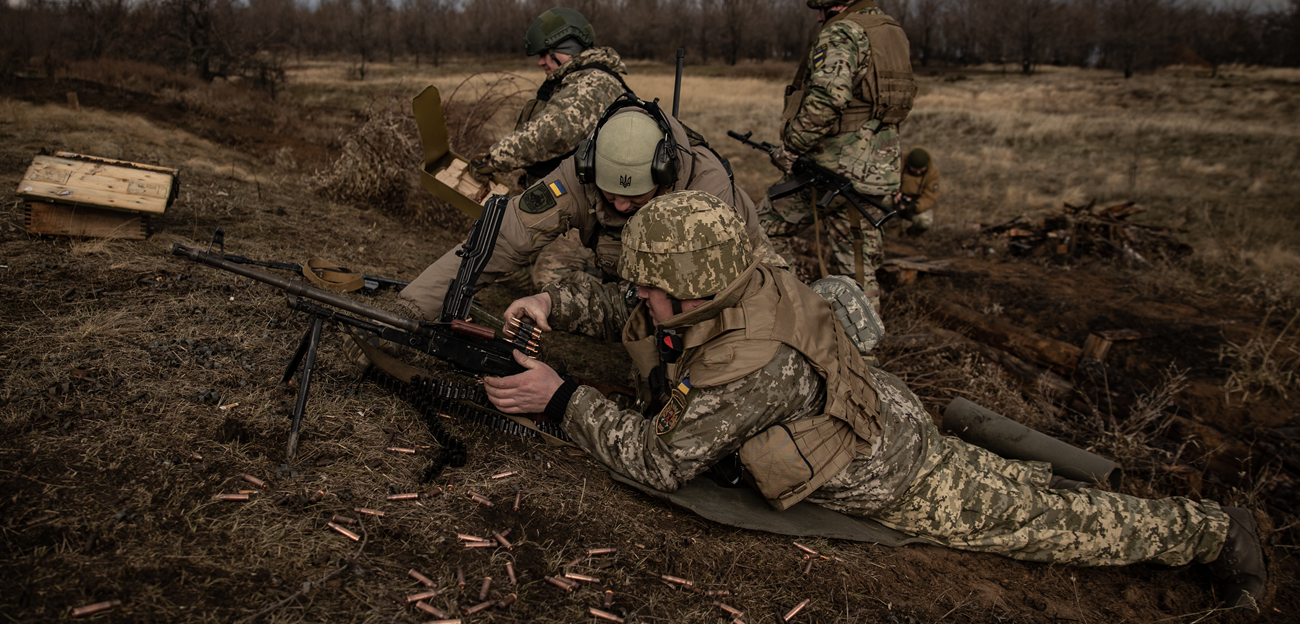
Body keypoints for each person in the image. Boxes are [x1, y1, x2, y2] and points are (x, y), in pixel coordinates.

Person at [483, 191, 1268, 613]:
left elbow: (657, 460)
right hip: (883, 412)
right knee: (1021, 491)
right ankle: (1142, 509)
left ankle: (1210, 533)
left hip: (892, 470)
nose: (643, 293)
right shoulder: (740, 271)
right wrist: (561, 306)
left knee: (1054, 527)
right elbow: (638, 304)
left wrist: (561, 400)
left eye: (655, 283)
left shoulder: (745, 364)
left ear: (693, 282)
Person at [396, 96, 785, 324]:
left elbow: (722, 303)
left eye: (634, 198)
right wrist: (410, 312)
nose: (618, 205)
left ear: (665, 175)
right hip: (645, 293)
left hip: (726, 291)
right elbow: (504, 237)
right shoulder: (577, 175)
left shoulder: (708, 194)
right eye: (609, 191)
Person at [757, 0, 916, 312]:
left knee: (761, 230)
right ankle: (865, 356)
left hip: (831, 171)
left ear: (841, 3)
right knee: (859, 270)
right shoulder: (893, 32)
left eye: (826, 9)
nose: (820, 18)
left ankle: (790, 313)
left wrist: (792, 147)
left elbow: (828, 99)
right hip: (877, 173)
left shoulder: (844, 31)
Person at [468, 7, 631, 186]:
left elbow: (554, 132)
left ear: (566, 49)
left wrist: (494, 160)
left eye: (544, 54)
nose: (540, 62)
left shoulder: (594, 83)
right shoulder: (575, 79)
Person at [894, 147, 940, 236]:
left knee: (925, 221)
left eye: (921, 169)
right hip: (895, 200)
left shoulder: (933, 172)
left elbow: (930, 197)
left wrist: (915, 206)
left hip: (915, 204)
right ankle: (893, 229)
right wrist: (894, 193)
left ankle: (912, 235)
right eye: (914, 169)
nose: (918, 172)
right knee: (883, 202)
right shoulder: (898, 161)